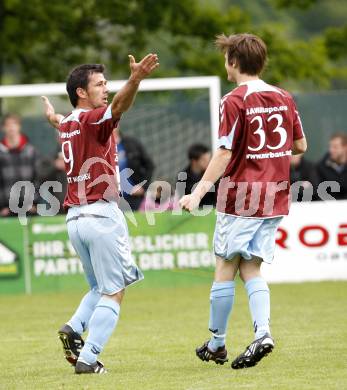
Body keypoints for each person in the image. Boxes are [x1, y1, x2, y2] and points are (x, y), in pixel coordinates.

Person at [179, 33, 307, 369]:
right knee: (251, 266)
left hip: (242, 196)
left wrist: (198, 190)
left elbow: (224, 152)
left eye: (226, 58)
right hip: (275, 195)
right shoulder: (284, 97)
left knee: (224, 266)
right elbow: (301, 146)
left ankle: (218, 343)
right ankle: (262, 332)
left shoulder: (233, 100)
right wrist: (270, 152)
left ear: (233, 62)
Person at [42, 53, 159, 374]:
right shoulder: (94, 118)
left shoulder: (67, 123)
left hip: (75, 220)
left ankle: (73, 327)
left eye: (107, 84)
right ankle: (88, 358)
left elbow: (60, 120)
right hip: (101, 215)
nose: (106, 89)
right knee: (114, 291)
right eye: (99, 84)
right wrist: (135, 79)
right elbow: (120, 107)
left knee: (98, 287)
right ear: (81, 92)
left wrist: (52, 116)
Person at [0, 114, 40, 216]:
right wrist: (2, 206)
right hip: (6, 209)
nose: (11, 127)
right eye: (8, 125)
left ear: (19, 126)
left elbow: (37, 178)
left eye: (14, 124)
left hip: (29, 207)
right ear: (3, 128)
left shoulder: (31, 151)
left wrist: (34, 202)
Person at [115, 129, 154, 211]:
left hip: (134, 200)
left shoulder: (132, 143)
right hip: (112, 201)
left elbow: (150, 165)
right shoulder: (100, 147)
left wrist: (142, 186)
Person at [179, 143, 216, 208]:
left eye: (209, 159)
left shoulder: (213, 175)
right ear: (194, 161)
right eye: (204, 160)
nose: (208, 162)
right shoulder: (183, 177)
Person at [316, 133, 347, 200]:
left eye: (335, 147)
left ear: (345, 147)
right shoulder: (321, 167)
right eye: (330, 147)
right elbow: (319, 193)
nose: (331, 150)